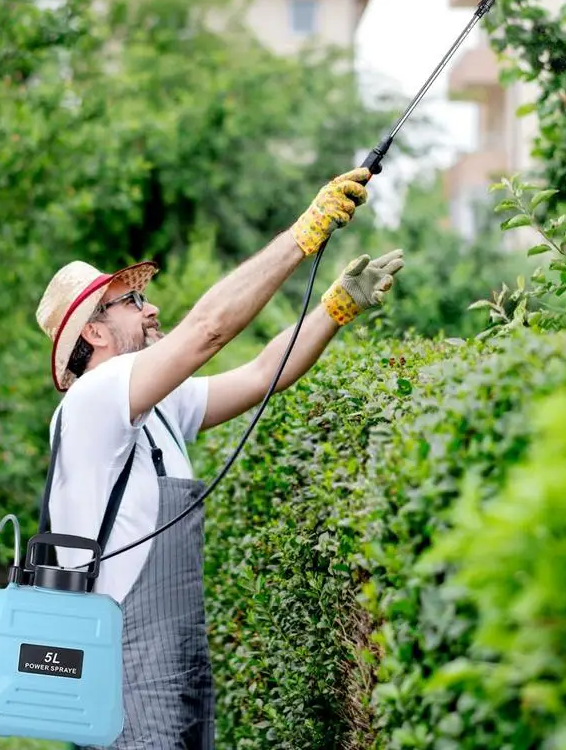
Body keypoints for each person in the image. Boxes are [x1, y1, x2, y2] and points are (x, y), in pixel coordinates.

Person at [34, 167, 405, 750]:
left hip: (173, 653)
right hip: (124, 662)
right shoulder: (93, 400)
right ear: (97, 335)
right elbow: (206, 330)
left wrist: (334, 308)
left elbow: (262, 374)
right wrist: (302, 234)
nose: (151, 309)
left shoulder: (154, 406)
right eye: (131, 302)